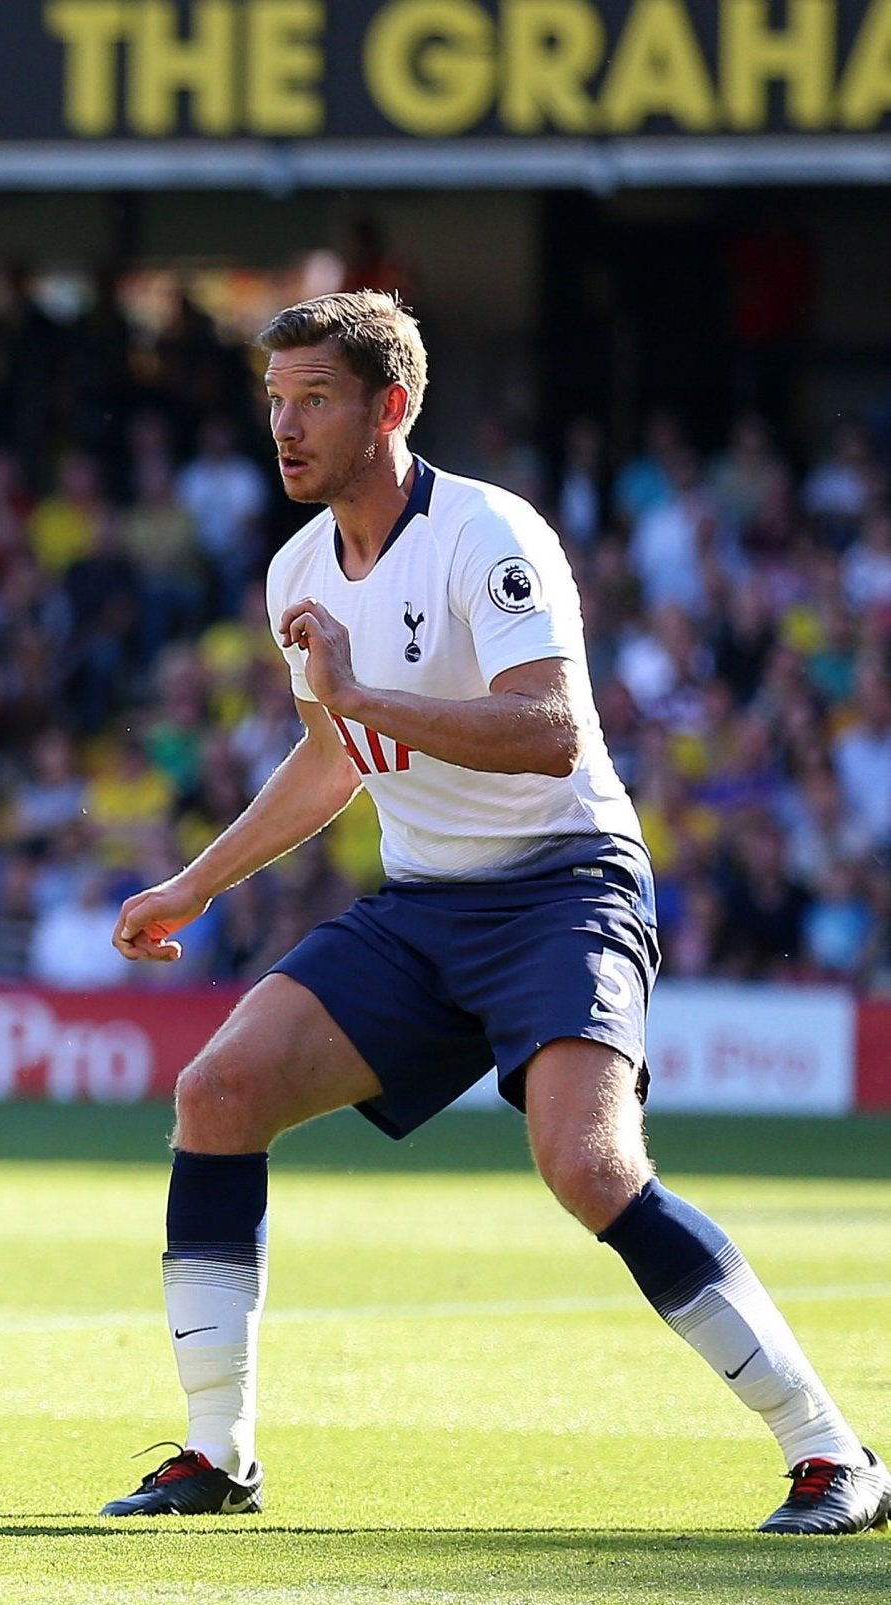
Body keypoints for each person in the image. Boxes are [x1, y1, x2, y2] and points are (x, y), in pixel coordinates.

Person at [102, 291, 886, 1536]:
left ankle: (830, 1452)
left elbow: (548, 731)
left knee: (586, 1166)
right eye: (273, 401)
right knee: (216, 1091)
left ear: (389, 408)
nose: (285, 427)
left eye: (313, 400)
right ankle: (215, 1452)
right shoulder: (298, 568)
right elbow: (331, 758)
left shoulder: (485, 532)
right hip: (422, 904)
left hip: (563, 885)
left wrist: (357, 690)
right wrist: (195, 882)